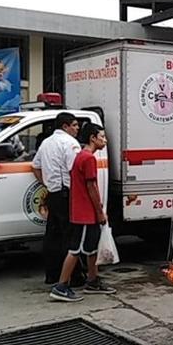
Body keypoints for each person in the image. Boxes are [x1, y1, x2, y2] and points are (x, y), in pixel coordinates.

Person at [50, 123, 116, 302]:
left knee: (90, 248)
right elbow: (92, 187)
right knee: (76, 249)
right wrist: (100, 211)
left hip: (82, 211)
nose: (105, 140)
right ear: (92, 138)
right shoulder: (88, 159)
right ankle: (61, 285)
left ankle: (93, 280)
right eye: (102, 136)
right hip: (85, 212)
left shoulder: (81, 156)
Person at [32, 112, 86, 286]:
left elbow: (36, 166)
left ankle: (52, 275)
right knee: (70, 237)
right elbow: (75, 170)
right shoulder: (70, 143)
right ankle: (74, 277)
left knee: (52, 236)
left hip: (53, 194)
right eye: (75, 125)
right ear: (65, 126)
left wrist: (47, 183)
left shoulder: (46, 143)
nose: (77, 129)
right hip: (66, 194)